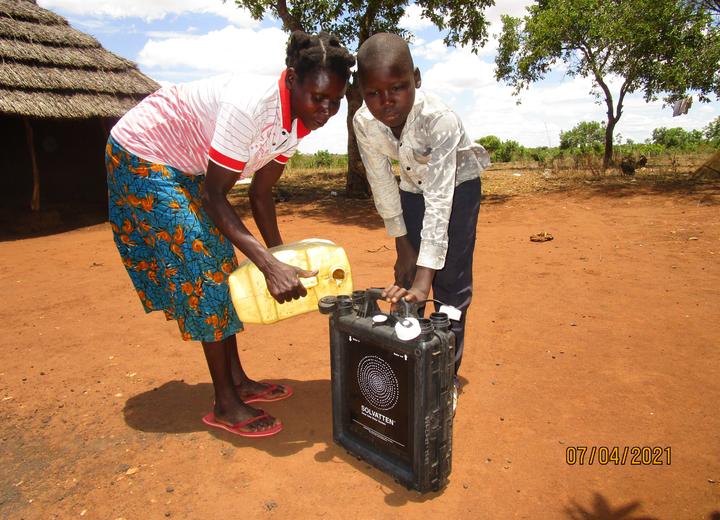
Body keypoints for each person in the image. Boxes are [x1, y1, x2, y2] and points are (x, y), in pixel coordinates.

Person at [106, 31, 355, 437]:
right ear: (292, 80)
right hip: (142, 154)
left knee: (221, 262)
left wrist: (280, 255)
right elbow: (217, 195)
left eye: (335, 101)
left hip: (184, 167)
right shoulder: (252, 106)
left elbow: (261, 191)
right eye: (318, 98)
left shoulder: (298, 121)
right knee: (206, 267)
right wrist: (268, 265)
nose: (326, 110)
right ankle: (225, 403)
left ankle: (237, 380)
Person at [353, 32, 489, 410]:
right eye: (373, 93)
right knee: (406, 277)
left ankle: (446, 377)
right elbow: (382, 183)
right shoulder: (364, 122)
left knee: (450, 285)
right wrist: (402, 246)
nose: (386, 102)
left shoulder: (439, 120)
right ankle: (409, 363)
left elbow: (441, 201)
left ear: (416, 78)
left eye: (397, 88)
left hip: (457, 190)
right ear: (361, 91)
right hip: (410, 191)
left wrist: (427, 274)